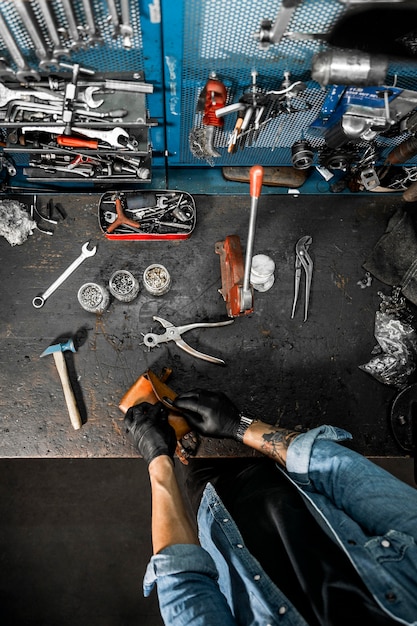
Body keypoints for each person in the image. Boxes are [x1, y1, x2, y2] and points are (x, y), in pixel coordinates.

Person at [124, 389, 417, 625]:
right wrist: (239, 426)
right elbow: (347, 477)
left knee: (192, 446)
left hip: (219, 502)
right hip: (297, 474)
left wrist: (158, 458)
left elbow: (183, 582)